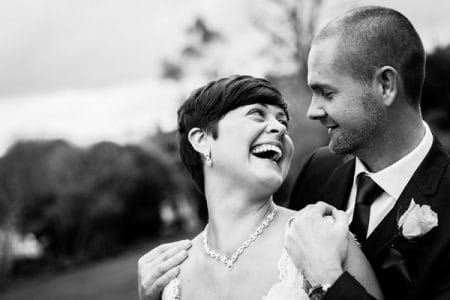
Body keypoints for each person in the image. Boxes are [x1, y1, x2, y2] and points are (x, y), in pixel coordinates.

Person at [138, 75, 383, 300]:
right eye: (257, 113)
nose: (280, 128)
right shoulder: (170, 277)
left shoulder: (322, 239)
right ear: (202, 140)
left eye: (282, 120)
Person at [286, 5, 450, 300]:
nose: (312, 111)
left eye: (328, 93)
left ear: (385, 85)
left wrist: (329, 281)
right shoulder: (317, 170)